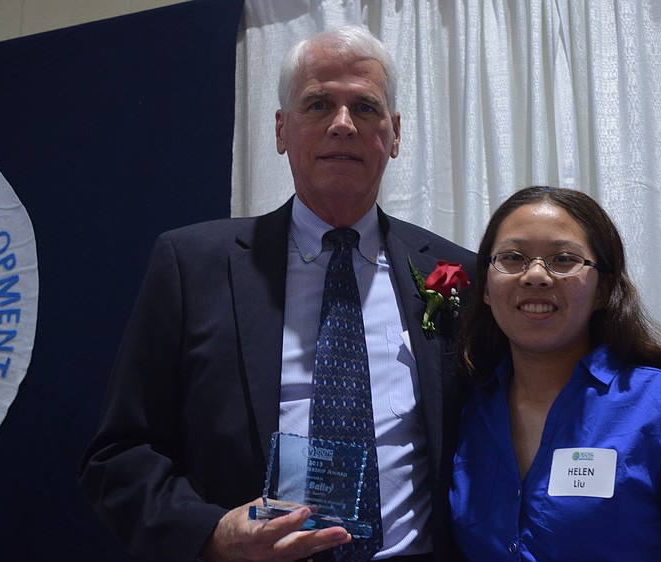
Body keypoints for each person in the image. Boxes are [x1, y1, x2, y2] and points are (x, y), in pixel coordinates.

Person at [79, 26, 475, 562]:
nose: (342, 124)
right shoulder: (192, 266)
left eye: (364, 107)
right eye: (318, 104)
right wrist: (212, 534)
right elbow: (119, 455)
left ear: (395, 133)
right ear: (281, 129)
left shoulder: (456, 275)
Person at [450, 186, 661, 561]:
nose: (536, 275)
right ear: (487, 288)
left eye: (563, 259)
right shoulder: (468, 410)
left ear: (603, 289)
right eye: (513, 257)